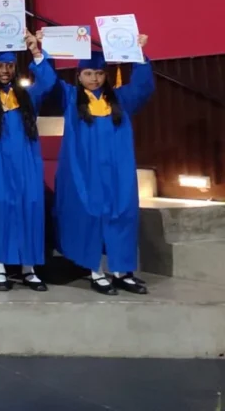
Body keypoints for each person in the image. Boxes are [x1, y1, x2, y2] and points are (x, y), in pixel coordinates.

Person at [50, 43, 154, 295]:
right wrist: (43, 52)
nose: (94, 78)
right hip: (85, 173)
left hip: (118, 172)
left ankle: (121, 272)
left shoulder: (120, 99)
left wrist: (138, 53)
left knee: (122, 215)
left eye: (99, 73)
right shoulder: (70, 97)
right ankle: (96, 272)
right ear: (78, 75)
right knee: (91, 217)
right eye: (88, 73)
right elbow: (49, 82)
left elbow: (142, 86)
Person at [0, 29, 55, 292]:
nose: (5, 71)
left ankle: (28, 268)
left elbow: (49, 82)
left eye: (9, 65)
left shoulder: (26, 96)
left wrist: (36, 50)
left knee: (29, 206)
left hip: (27, 162)